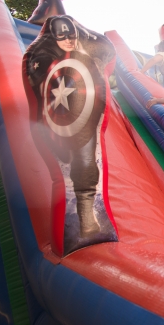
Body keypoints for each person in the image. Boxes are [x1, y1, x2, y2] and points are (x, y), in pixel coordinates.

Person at [25, 16, 116, 241]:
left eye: (70, 35)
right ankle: (80, 224)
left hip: (82, 117)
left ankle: (87, 221)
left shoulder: (83, 55)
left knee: (85, 163)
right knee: (72, 163)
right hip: (60, 119)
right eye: (62, 36)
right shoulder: (45, 56)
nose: (67, 39)